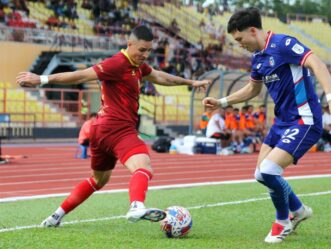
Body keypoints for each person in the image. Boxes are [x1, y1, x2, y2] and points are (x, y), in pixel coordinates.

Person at [17, 25, 210, 227]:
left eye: (149, 50)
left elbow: (161, 77)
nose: (145, 55)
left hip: (100, 130)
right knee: (144, 166)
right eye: (141, 50)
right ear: (129, 44)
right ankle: (136, 206)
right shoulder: (116, 63)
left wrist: (191, 82)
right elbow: (82, 75)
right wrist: (42, 79)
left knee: (98, 180)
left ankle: (55, 216)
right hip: (116, 128)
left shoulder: (138, 66)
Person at [202, 8, 331, 243]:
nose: (239, 44)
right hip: (281, 123)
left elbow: (316, 63)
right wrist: (221, 101)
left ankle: (282, 221)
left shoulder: (283, 44)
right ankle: (298, 210)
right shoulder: (258, 58)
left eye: (239, 39)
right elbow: (252, 89)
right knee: (260, 174)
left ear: (253, 30)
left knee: (269, 171)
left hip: (304, 120)